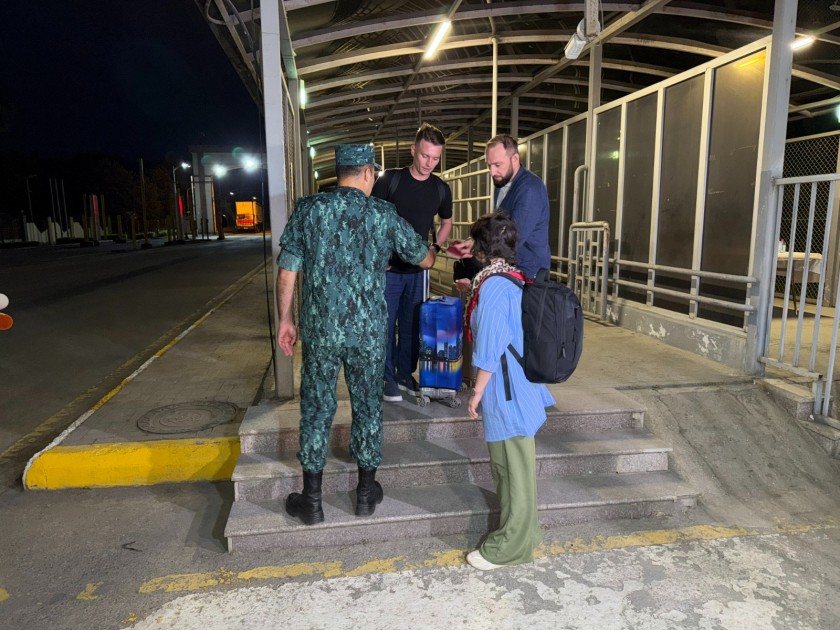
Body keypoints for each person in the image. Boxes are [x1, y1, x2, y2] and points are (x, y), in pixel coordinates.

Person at [275, 144, 436, 526]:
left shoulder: (309, 209)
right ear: (367, 173)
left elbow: (287, 270)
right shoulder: (383, 213)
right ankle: (365, 494)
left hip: (321, 332)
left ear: (339, 172)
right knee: (367, 406)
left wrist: (285, 320)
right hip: (368, 333)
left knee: (317, 408)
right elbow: (423, 258)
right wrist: (434, 249)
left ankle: (312, 501)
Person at [463, 212, 555, 570]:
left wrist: (476, 392)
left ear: (483, 249)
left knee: (513, 471)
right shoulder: (510, 277)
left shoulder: (494, 286)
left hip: (507, 390)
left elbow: (491, 343)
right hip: (516, 386)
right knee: (511, 468)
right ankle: (525, 532)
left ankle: (511, 547)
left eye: (475, 242)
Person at [371, 122, 453, 402]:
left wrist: (435, 247)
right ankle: (388, 378)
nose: (429, 163)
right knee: (385, 326)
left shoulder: (440, 188)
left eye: (435, 158)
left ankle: (405, 374)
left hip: (418, 273)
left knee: (412, 326)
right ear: (413, 150)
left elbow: (447, 222)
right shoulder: (390, 180)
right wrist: (379, 256)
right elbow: (371, 219)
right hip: (389, 272)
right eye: (425, 155)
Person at [451, 134, 551, 280]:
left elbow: (513, 239)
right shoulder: (502, 183)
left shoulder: (530, 189)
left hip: (529, 275)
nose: (492, 172)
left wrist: (477, 251)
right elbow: (498, 228)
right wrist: (474, 243)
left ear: (515, 159)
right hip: (511, 269)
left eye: (497, 165)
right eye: (489, 165)